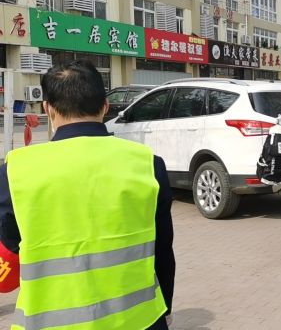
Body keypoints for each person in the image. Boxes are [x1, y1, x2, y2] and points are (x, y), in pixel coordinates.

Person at [0, 60, 175, 329]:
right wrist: (166, 309)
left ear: (48, 108)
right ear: (105, 106)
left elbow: (7, 256)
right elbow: (162, 251)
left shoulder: (15, 171)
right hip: (139, 320)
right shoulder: (149, 164)